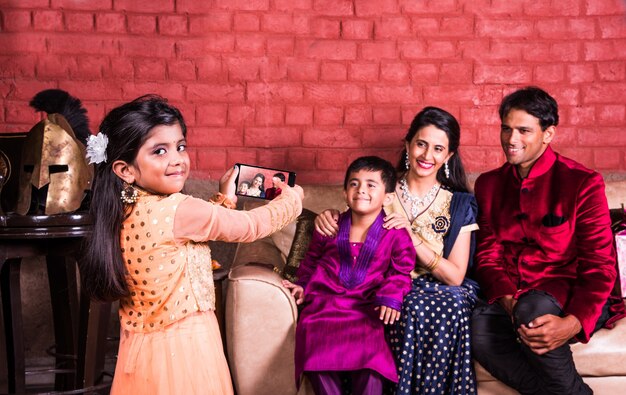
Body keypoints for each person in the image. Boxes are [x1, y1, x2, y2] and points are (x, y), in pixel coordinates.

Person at [79, 95, 303, 395]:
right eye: (160, 151)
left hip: (142, 349)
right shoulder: (179, 208)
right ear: (125, 170)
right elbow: (249, 227)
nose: (177, 160)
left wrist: (224, 200)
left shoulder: (123, 210)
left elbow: (181, 239)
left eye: (180, 146)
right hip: (187, 347)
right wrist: (292, 202)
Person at [471, 86, 626, 395]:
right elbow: (487, 255)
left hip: (569, 292)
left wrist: (573, 322)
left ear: (548, 133)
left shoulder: (581, 182)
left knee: (533, 313)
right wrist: (507, 302)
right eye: (506, 128)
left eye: (523, 130)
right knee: (477, 328)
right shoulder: (488, 185)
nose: (511, 139)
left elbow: (600, 268)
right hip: (514, 298)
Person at [315, 107, 480, 394]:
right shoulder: (379, 188)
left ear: (449, 156)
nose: (427, 156)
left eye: (438, 149)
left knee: (439, 304)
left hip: (442, 288)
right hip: (385, 281)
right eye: (421, 144)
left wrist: (412, 238)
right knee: (397, 303)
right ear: (407, 145)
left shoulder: (459, 204)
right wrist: (326, 217)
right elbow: (348, 235)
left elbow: (455, 277)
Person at [283, 156, 415, 395]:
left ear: (388, 197)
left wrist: (390, 297)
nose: (361, 190)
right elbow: (310, 261)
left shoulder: (396, 233)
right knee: (316, 355)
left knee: (372, 364)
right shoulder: (329, 227)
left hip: (365, 310)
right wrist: (302, 285)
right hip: (324, 308)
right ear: (344, 192)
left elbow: (401, 271)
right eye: (354, 184)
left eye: (371, 185)